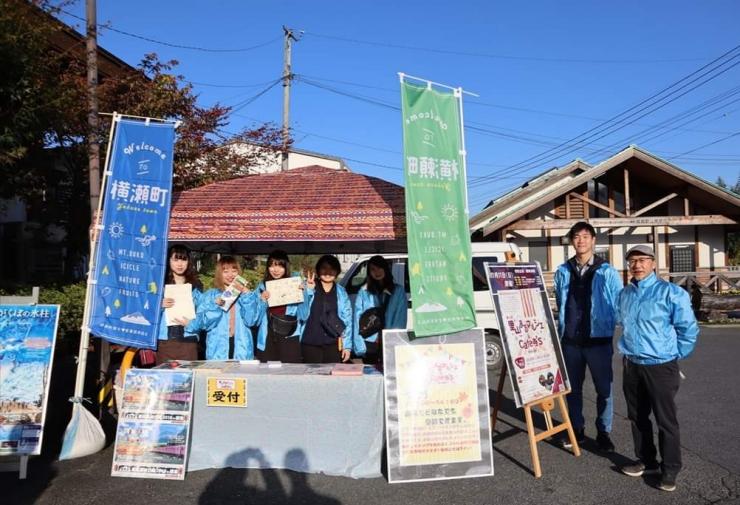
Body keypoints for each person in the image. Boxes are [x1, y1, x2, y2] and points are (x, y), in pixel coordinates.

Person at [617, 245, 698, 492]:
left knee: (666, 420)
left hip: (660, 366)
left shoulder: (671, 293)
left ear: (653, 263)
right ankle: (647, 460)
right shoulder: (625, 294)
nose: (637, 265)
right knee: (637, 416)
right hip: (632, 364)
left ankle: (670, 468)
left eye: (642, 260)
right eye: (632, 260)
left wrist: (672, 356)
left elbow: (689, 329)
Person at [553, 222, 623, 452]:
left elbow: (619, 304)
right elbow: (559, 301)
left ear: (593, 240)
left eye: (585, 236)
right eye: (576, 236)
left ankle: (604, 432)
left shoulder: (607, 271)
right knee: (573, 389)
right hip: (571, 341)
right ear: (572, 241)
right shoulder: (563, 271)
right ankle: (577, 429)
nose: (581, 240)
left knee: (604, 389)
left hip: (598, 341)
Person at [195, 256, 260, 360]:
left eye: (234, 271)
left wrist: (246, 295)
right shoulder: (210, 295)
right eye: (225, 271)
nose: (230, 275)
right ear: (219, 274)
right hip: (217, 349)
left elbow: (251, 321)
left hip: (241, 348)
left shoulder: (247, 295)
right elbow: (203, 324)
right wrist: (215, 306)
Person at [352, 255, 407, 364]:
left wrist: (395, 339)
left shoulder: (398, 291)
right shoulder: (364, 291)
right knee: (370, 374)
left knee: (389, 373)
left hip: (389, 339)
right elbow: (357, 317)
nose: (377, 272)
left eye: (380, 267)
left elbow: (401, 318)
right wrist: (359, 345)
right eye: (373, 269)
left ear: (385, 269)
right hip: (370, 340)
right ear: (369, 272)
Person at [155, 245, 203, 365]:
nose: (180, 264)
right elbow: (148, 311)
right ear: (168, 261)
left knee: (188, 378)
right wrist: (159, 305)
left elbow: (202, 312)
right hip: (166, 341)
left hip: (188, 339)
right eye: (175, 260)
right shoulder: (159, 283)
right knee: (164, 379)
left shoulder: (196, 285)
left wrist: (192, 322)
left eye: (183, 259)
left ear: (189, 261)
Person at [300, 255, 353, 364]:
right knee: (312, 378)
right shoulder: (308, 286)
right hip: (310, 342)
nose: (328, 272)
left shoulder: (341, 292)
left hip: (333, 343)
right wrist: (308, 291)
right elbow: (301, 314)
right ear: (318, 270)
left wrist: (347, 346)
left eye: (332, 268)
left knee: (332, 378)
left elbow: (347, 320)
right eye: (324, 268)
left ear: (337, 271)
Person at [253, 250, 303, 363]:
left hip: (289, 333)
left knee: (290, 372)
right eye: (272, 265)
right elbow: (255, 319)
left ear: (286, 267)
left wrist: (305, 293)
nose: (275, 270)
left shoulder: (295, 285)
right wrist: (262, 300)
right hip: (267, 334)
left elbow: (304, 315)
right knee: (266, 373)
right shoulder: (261, 287)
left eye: (280, 266)